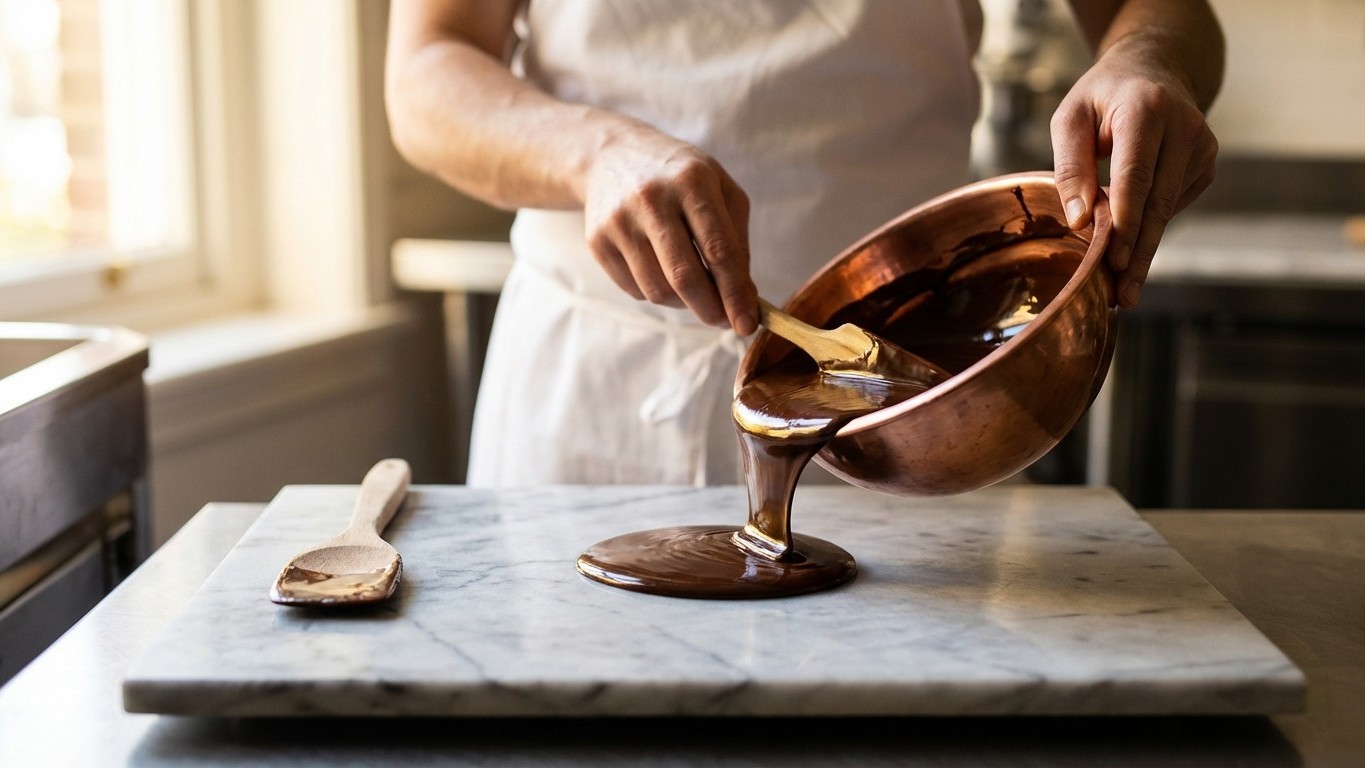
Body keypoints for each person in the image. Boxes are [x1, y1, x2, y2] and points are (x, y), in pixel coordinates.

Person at [385, 0, 1223, 487]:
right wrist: (590, 152)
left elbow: (1158, 12)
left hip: (916, 390)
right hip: (592, 386)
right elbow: (428, 65)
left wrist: (1149, 60)